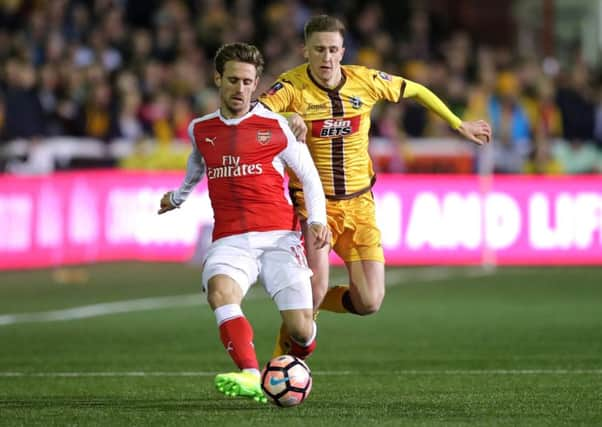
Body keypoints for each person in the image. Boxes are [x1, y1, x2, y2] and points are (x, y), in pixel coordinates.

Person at [258, 15, 492, 356]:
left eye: (333, 49)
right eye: (319, 49)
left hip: (360, 204)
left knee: (369, 301)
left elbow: (416, 89)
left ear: (343, 50)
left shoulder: (364, 81)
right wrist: (284, 118)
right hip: (315, 206)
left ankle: (313, 305)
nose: (327, 58)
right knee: (314, 287)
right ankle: (281, 364)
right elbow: (254, 116)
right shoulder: (291, 87)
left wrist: (458, 124)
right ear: (304, 50)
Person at [158, 42, 329, 403]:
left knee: (300, 329)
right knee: (221, 292)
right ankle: (251, 374)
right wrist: (178, 196)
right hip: (230, 240)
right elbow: (195, 167)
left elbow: (309, 176)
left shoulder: (277, 126)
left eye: (248, 82)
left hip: (281, 239)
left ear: (256, 84)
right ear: (218, 79)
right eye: (233, 80)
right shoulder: (201, 129)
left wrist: (317, 220)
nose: (240, 89)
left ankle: (303, 347)